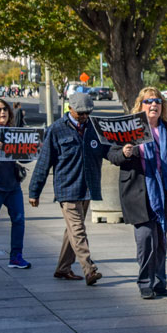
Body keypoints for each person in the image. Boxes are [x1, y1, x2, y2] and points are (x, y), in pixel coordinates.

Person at [105, 88, 167, 299]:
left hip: (166, 192)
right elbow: (112, 155)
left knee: (160, 239)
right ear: (140, 106)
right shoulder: (130, 128)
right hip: (139, 191)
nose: (154, 105)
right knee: (145, 238)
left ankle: (160, 282)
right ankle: (145, 282)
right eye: (148, 101)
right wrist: (125, 152)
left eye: (157, 101)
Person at [29, 92, 107, 285]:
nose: (84, 116)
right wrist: (34, 191)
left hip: (87, 187)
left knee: (72, 231)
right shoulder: (56, 130)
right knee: (78, 230)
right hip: (67, 188)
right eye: (80, 113)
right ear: (70, 109)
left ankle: (63, 269)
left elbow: (107, 150)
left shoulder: (94, 128)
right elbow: (44, 162)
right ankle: (90, 269)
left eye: (87, 113)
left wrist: (123, 153)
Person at [0, 100, 30, 269]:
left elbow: (25, 158)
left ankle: (16, 257)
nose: (2, 112)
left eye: (5, 109)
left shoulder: (14, 133)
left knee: (19, 221)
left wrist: (33, 149)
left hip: (12, 186)